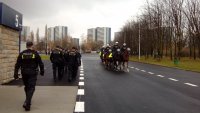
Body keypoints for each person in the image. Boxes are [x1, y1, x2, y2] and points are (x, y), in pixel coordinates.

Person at [14, 41, 44, 111]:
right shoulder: (35, 53)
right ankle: (27, 103)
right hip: (32, 72)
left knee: (27, 87)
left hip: (24, 72)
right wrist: (42, 71)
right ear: (32, 46)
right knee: (31, 88)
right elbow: (40, 63)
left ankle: (27, 100)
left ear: (26, 46)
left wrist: (15, 73)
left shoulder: (22, 53)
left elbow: (17, 64)